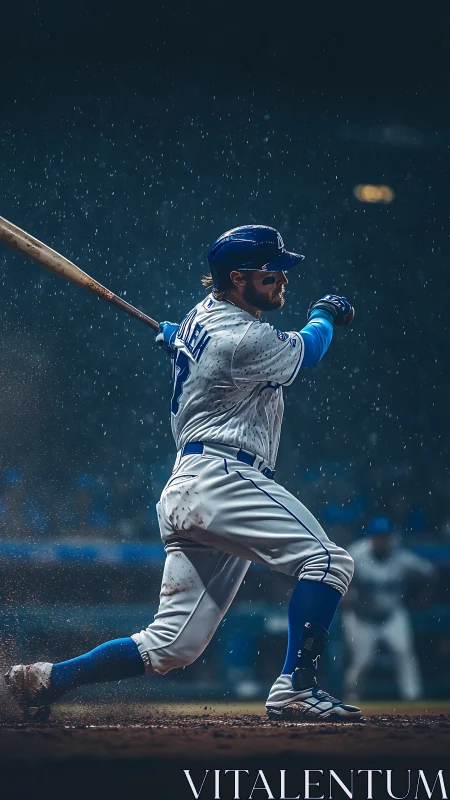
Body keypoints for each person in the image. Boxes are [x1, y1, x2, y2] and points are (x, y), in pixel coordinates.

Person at [5, 224, 361, 722]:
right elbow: (310, 348)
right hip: (222, 476)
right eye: (270, 272)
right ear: (237, 278)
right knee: (329, 563)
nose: (282, 278)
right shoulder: (240, 336)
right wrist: (325, 313)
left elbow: (204, 345)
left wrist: (182, 338)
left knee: (171, 646)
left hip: (190, 487)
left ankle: (42, 679)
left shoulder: (202, 322)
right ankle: (297, 689)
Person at [342, 516, 435, 701]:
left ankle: (413, 697)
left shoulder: (401, 556)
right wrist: (344, 594)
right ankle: (352, 697)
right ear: (370, 538)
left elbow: (430, 572)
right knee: (363, 662)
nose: (381, 541)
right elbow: (336, 574)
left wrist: (424, 597)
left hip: (392, 615)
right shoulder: (355, 554)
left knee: (404, 653)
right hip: (362, 617)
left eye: (385, 537)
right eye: (378, 537)